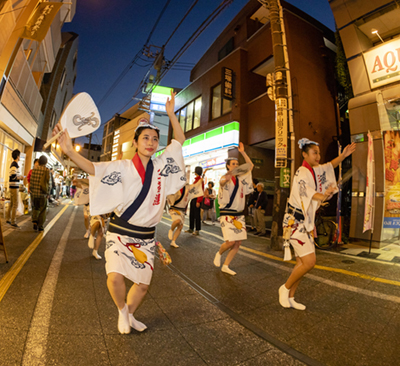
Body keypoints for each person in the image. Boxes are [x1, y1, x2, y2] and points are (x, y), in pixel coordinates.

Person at [52, 89, 186, 335]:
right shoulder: (122, 167)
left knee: (143, 285)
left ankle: (130, 313)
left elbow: (179, 141)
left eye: (155, 139)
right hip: (120, 232)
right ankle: (122, 310)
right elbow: (94, 168)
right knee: (114, 277)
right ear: (135, 142)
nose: (151, 143)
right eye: (145, 138)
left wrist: (171, 114)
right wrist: (70, 151)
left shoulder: (162, 167)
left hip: (146, 237)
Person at [278, 138, 356, 310]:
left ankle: (291, 296)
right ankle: (284, 288)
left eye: (319, 153)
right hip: (294, 222)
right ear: (305, 154)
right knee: (309, 262)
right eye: (315, 153)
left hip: (302, 222)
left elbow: (329, 166)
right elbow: (309, 193)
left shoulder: (314, 170)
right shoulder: (302, 172)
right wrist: (323, 195)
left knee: (301, 263)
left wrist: (343, 155)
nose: (318, 156)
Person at [213, 143, 254, 275]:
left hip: (239, 215)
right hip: (227, 214)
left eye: (237, 164)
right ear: (228, 166)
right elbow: (222, 182)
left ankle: (226, 265)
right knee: (230, 242)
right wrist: (227, 178)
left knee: (238, 243)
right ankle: (219, 253)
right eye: (233, 164)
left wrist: (243, 152)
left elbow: (250, 166)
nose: (236, 165)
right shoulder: (225, 177)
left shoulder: (241, 179)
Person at [167, 175, 203, 248]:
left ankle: (173, 241)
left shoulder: (188, 188)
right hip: (175, 208)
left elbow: (196, 186)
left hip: (182, 210)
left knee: (180, 226)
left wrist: (201, 180)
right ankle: (171, 230)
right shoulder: (175, 188)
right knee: (177, 221)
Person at [30, 155, 50, 231]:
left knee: (35, 207)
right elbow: (49, 183)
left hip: (34, 193)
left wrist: (32, 190)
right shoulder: (46, 170)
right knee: (42, 210)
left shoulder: (34, 170)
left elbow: (31, 181)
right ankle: (40, 226)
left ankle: (35, 221)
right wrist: (48, 193)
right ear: (45, 162)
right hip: (43, 194)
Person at [6, 149, 24, 228]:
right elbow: (13, 176)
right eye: (19, 155)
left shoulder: (13, 164)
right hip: (14, 187)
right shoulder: (14, 165)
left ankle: (8, 219)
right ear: (17, 156)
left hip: (12, 186)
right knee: (15, 204)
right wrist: (21, 178)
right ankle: (13, 221)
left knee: (12, 203)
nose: (20, 157)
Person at [185, 166, 204, 236]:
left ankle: (197, 230)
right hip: (193, 199)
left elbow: (201, 191)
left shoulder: (200, 180)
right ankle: (191, 228)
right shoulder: (196, 179)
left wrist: (199, 201)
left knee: (197, 215)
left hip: (197, 199)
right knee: (192, 214)